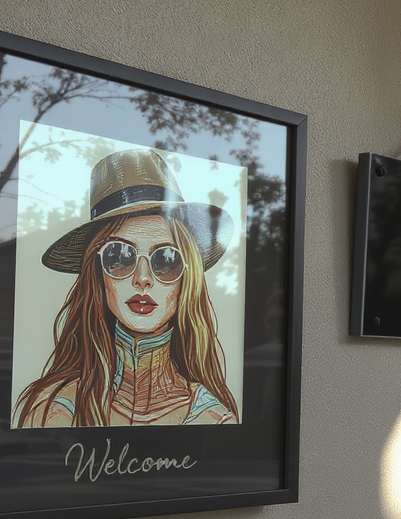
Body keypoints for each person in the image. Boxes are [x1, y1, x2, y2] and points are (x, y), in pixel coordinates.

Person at [13, 149, 239, 427]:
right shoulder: (51, 410)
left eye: (166, 261)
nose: (142, 279)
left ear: (187, 280)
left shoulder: (213, 419)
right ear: (97, 274)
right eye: (119, 257)